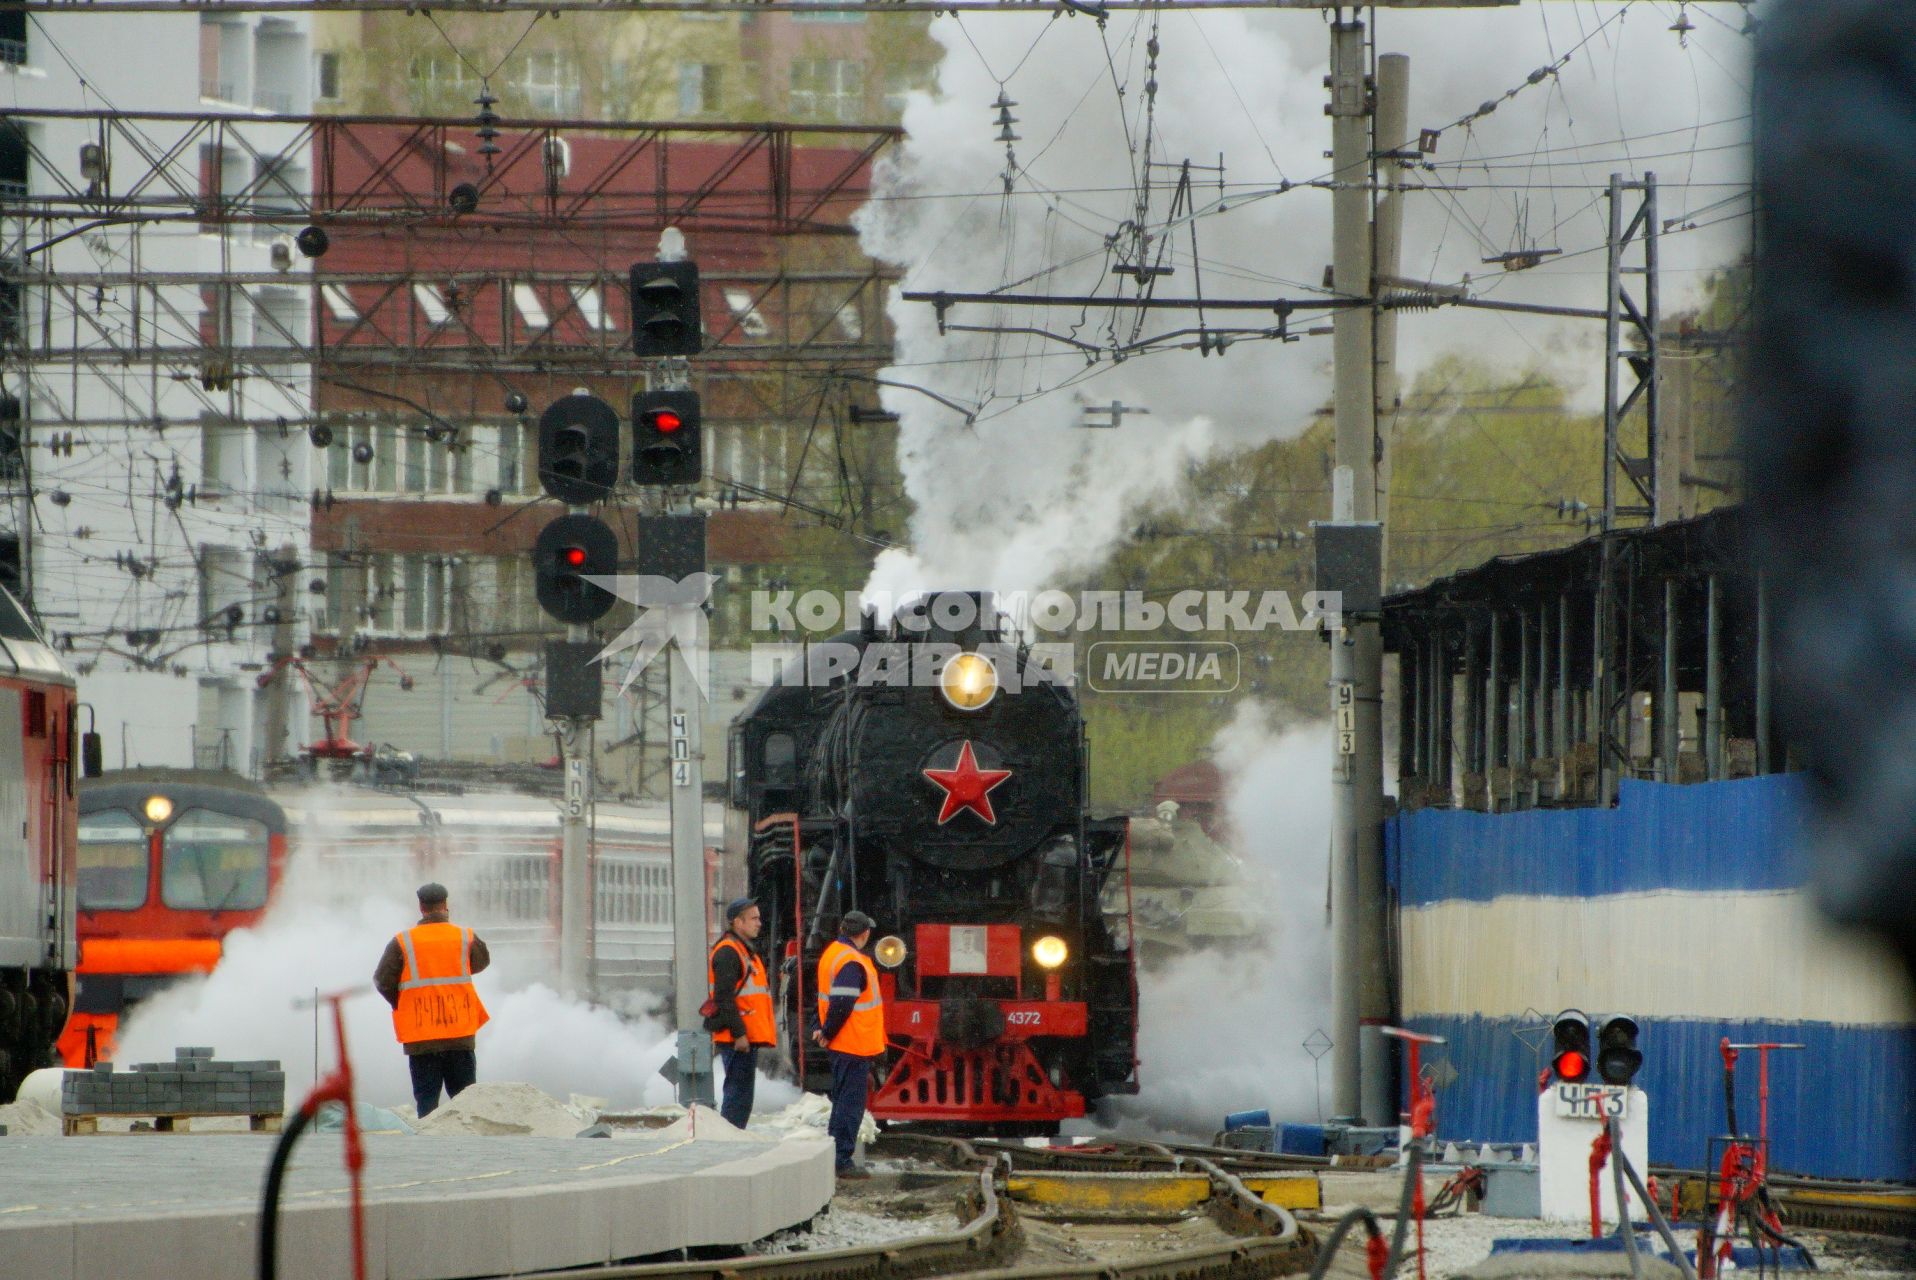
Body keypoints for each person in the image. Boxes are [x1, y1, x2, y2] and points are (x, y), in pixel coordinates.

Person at [374, 882, 490, 1118]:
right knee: (466, 1104)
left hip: (422, 1038)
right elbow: (481, 962)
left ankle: (430, 1151)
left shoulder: (403, 941)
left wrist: (405, 1003)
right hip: (459, 1034)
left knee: (427, 1106)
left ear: (421, 907)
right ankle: (466, 1151)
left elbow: (382, 981)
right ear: (446, 905)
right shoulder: (465, 936)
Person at [812, 908, 885, 1179]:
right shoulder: (852, 962)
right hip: (853, 1043)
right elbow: (842, 1003)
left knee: (842, 1100)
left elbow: (824, 999)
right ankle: (842, 1160)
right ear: (864, 934)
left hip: (846, 1043)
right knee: (850, 1104)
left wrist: (820, 1028)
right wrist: (828, 1031)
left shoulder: (832, 953)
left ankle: (835, 1155)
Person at [706, 896, 776, 1129]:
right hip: (738, 1039)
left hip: (745, 1037)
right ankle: (730, 1141)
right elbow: (724, 998)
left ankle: (733, 1137)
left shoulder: (743, 950)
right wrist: (739, 1034)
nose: (759, 923)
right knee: (737, 1095)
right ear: (738, 922)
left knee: (741, 1095)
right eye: (754, 918)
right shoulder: (728, 952)